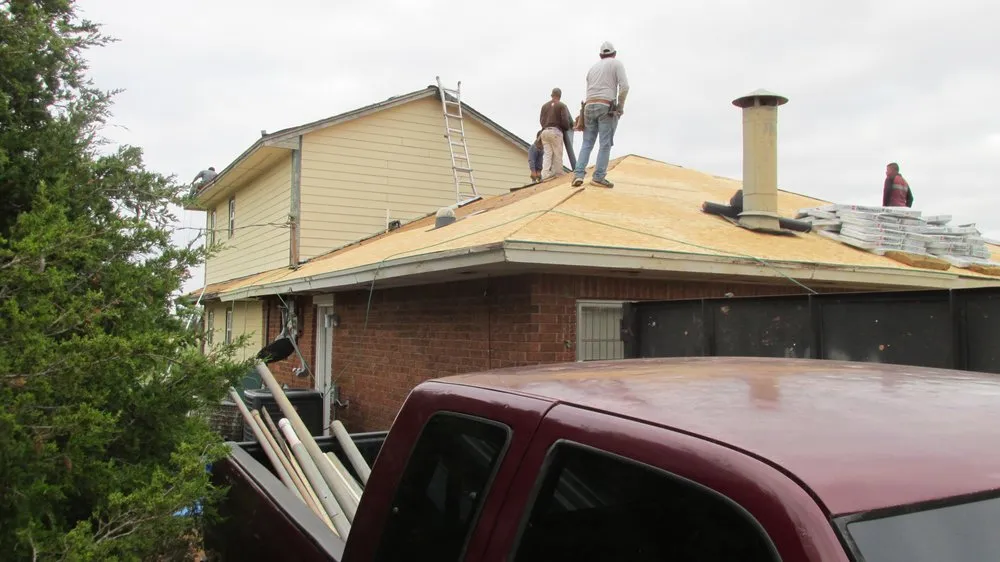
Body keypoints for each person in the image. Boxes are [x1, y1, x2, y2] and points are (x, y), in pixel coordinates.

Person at [572, 41, 629, 188]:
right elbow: (624, 87)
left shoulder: (592, 69)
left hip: (589, 106)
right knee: (605, 144)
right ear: (614, 54)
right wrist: (620, 107)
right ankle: (598, 177)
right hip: (605, 106)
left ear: (600, 55)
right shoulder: (616, 64)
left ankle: (578, 174)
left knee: (587, 143)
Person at [539, 87, 573, 180]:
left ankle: (545, 175)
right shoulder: (562, 105)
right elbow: (565, 121)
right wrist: (566, 127)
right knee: (557, 153)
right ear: (560, 96)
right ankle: (558, 174)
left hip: (544, 132)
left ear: (552, 95)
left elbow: (541, 120)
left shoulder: (544, 106)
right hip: (555, 131)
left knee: (547, 154)